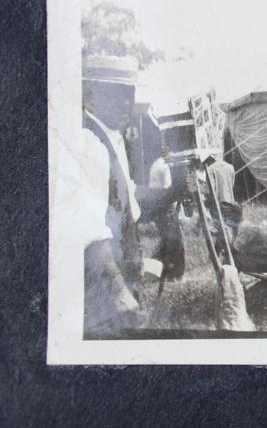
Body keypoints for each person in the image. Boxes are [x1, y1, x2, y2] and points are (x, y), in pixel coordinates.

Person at [75, 54, 144, 335]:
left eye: (130, 94)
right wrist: (118, 292)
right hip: (102, 282)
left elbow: (130, 204)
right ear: (90, 94)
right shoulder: (87, 140)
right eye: (116, 94)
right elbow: (89, 229)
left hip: (120, 271)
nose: (127, 103)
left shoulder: (112, 135)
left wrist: (172, 189)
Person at [147, 145, 185, 281]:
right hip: (164, 205)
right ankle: (175, 273)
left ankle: (161, 271)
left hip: (157, 206)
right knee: (176, 241)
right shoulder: (164, 166)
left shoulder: (156, 164)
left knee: (166, 239)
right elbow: (169, 191)